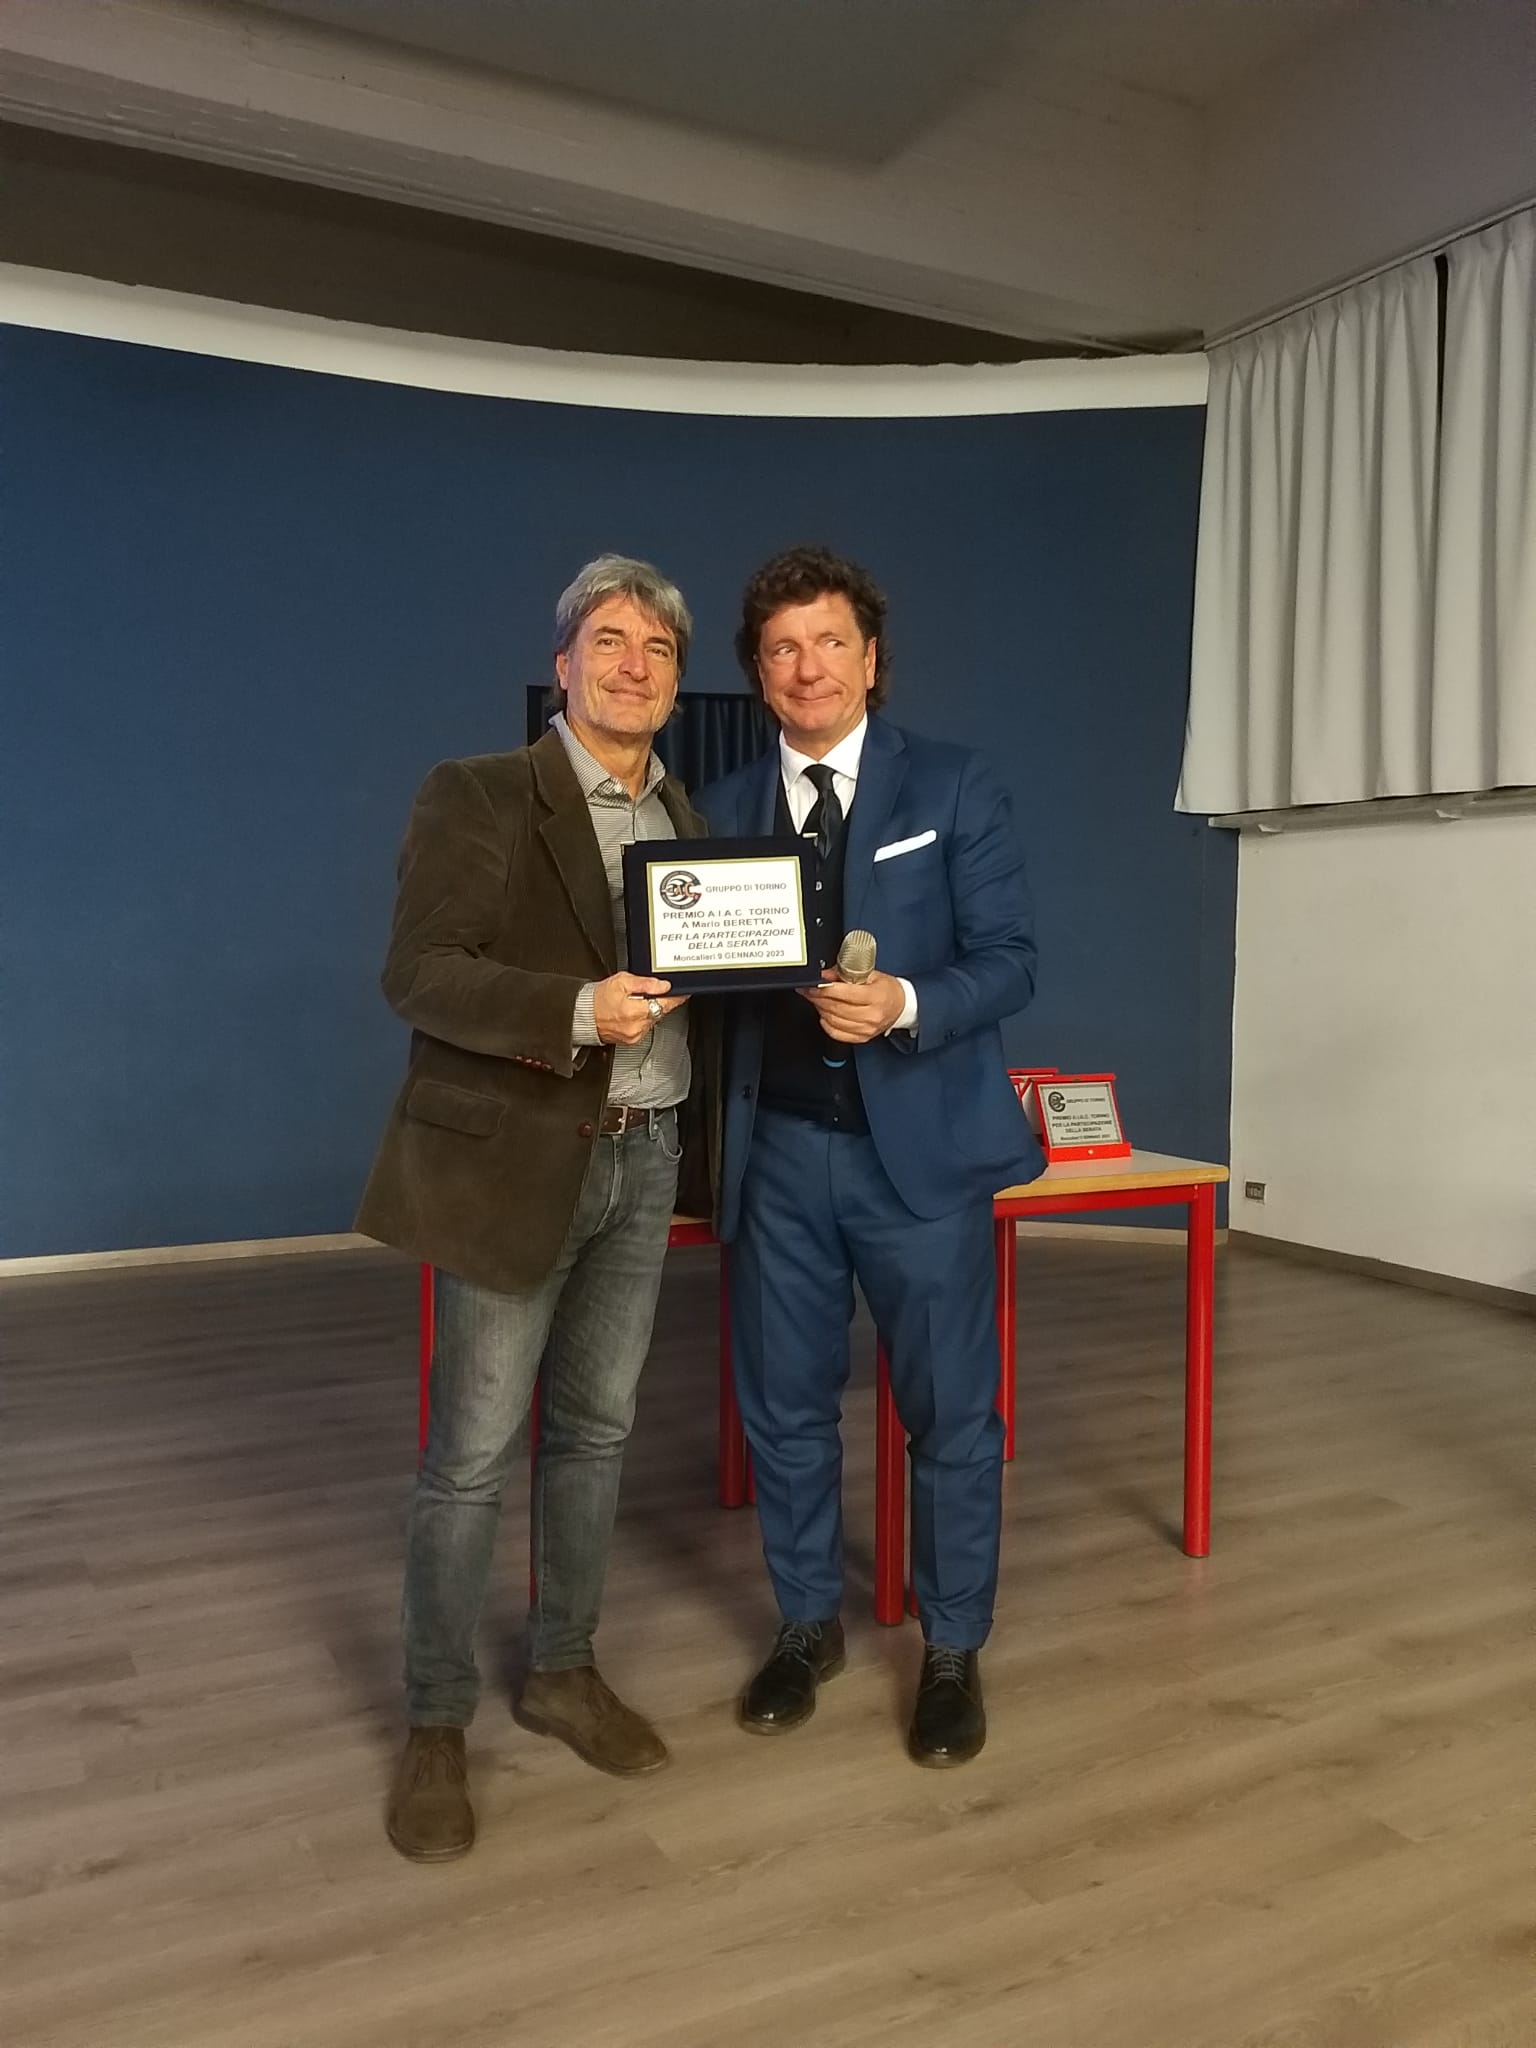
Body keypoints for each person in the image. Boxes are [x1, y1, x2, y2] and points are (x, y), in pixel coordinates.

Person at [357, 554, 707, 1859]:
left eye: (657, 650)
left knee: (597, 1432)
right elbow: (419, 973)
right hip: (513, 1160)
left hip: (647, 1154)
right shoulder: (479, 792)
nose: (633, 665)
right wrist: (574, 1009)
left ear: (676, 681)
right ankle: (436, 1719)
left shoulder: (686, 815)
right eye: (609, 640)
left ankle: (562, 1668)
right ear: (563, 665)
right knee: (470, 1453)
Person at [696, 545, 1043, 1767]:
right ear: (759, 672)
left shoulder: (953, 783)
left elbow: (1011, 959)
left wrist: (903, 999)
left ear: (871, 657)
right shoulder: (719, 809)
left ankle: (952, 1645)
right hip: (778, 1159)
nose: (809, 667)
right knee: (785, 1410)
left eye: (830, 641)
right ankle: (806, 1624)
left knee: (953, 1416)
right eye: (783, 648)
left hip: (922, 1162)